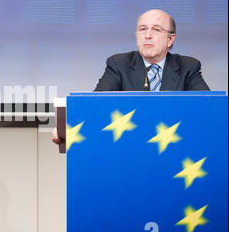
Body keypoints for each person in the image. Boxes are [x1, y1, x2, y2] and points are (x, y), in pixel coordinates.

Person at [52, 9, 210, 144]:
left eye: (156, 29)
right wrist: (68, 127)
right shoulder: (119, 64)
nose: (148, 35)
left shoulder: (188, 67)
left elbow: (208, 107)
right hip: (127, 147)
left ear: (170, 39)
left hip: (174, 146)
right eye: (142, 29)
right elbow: (96, 104)